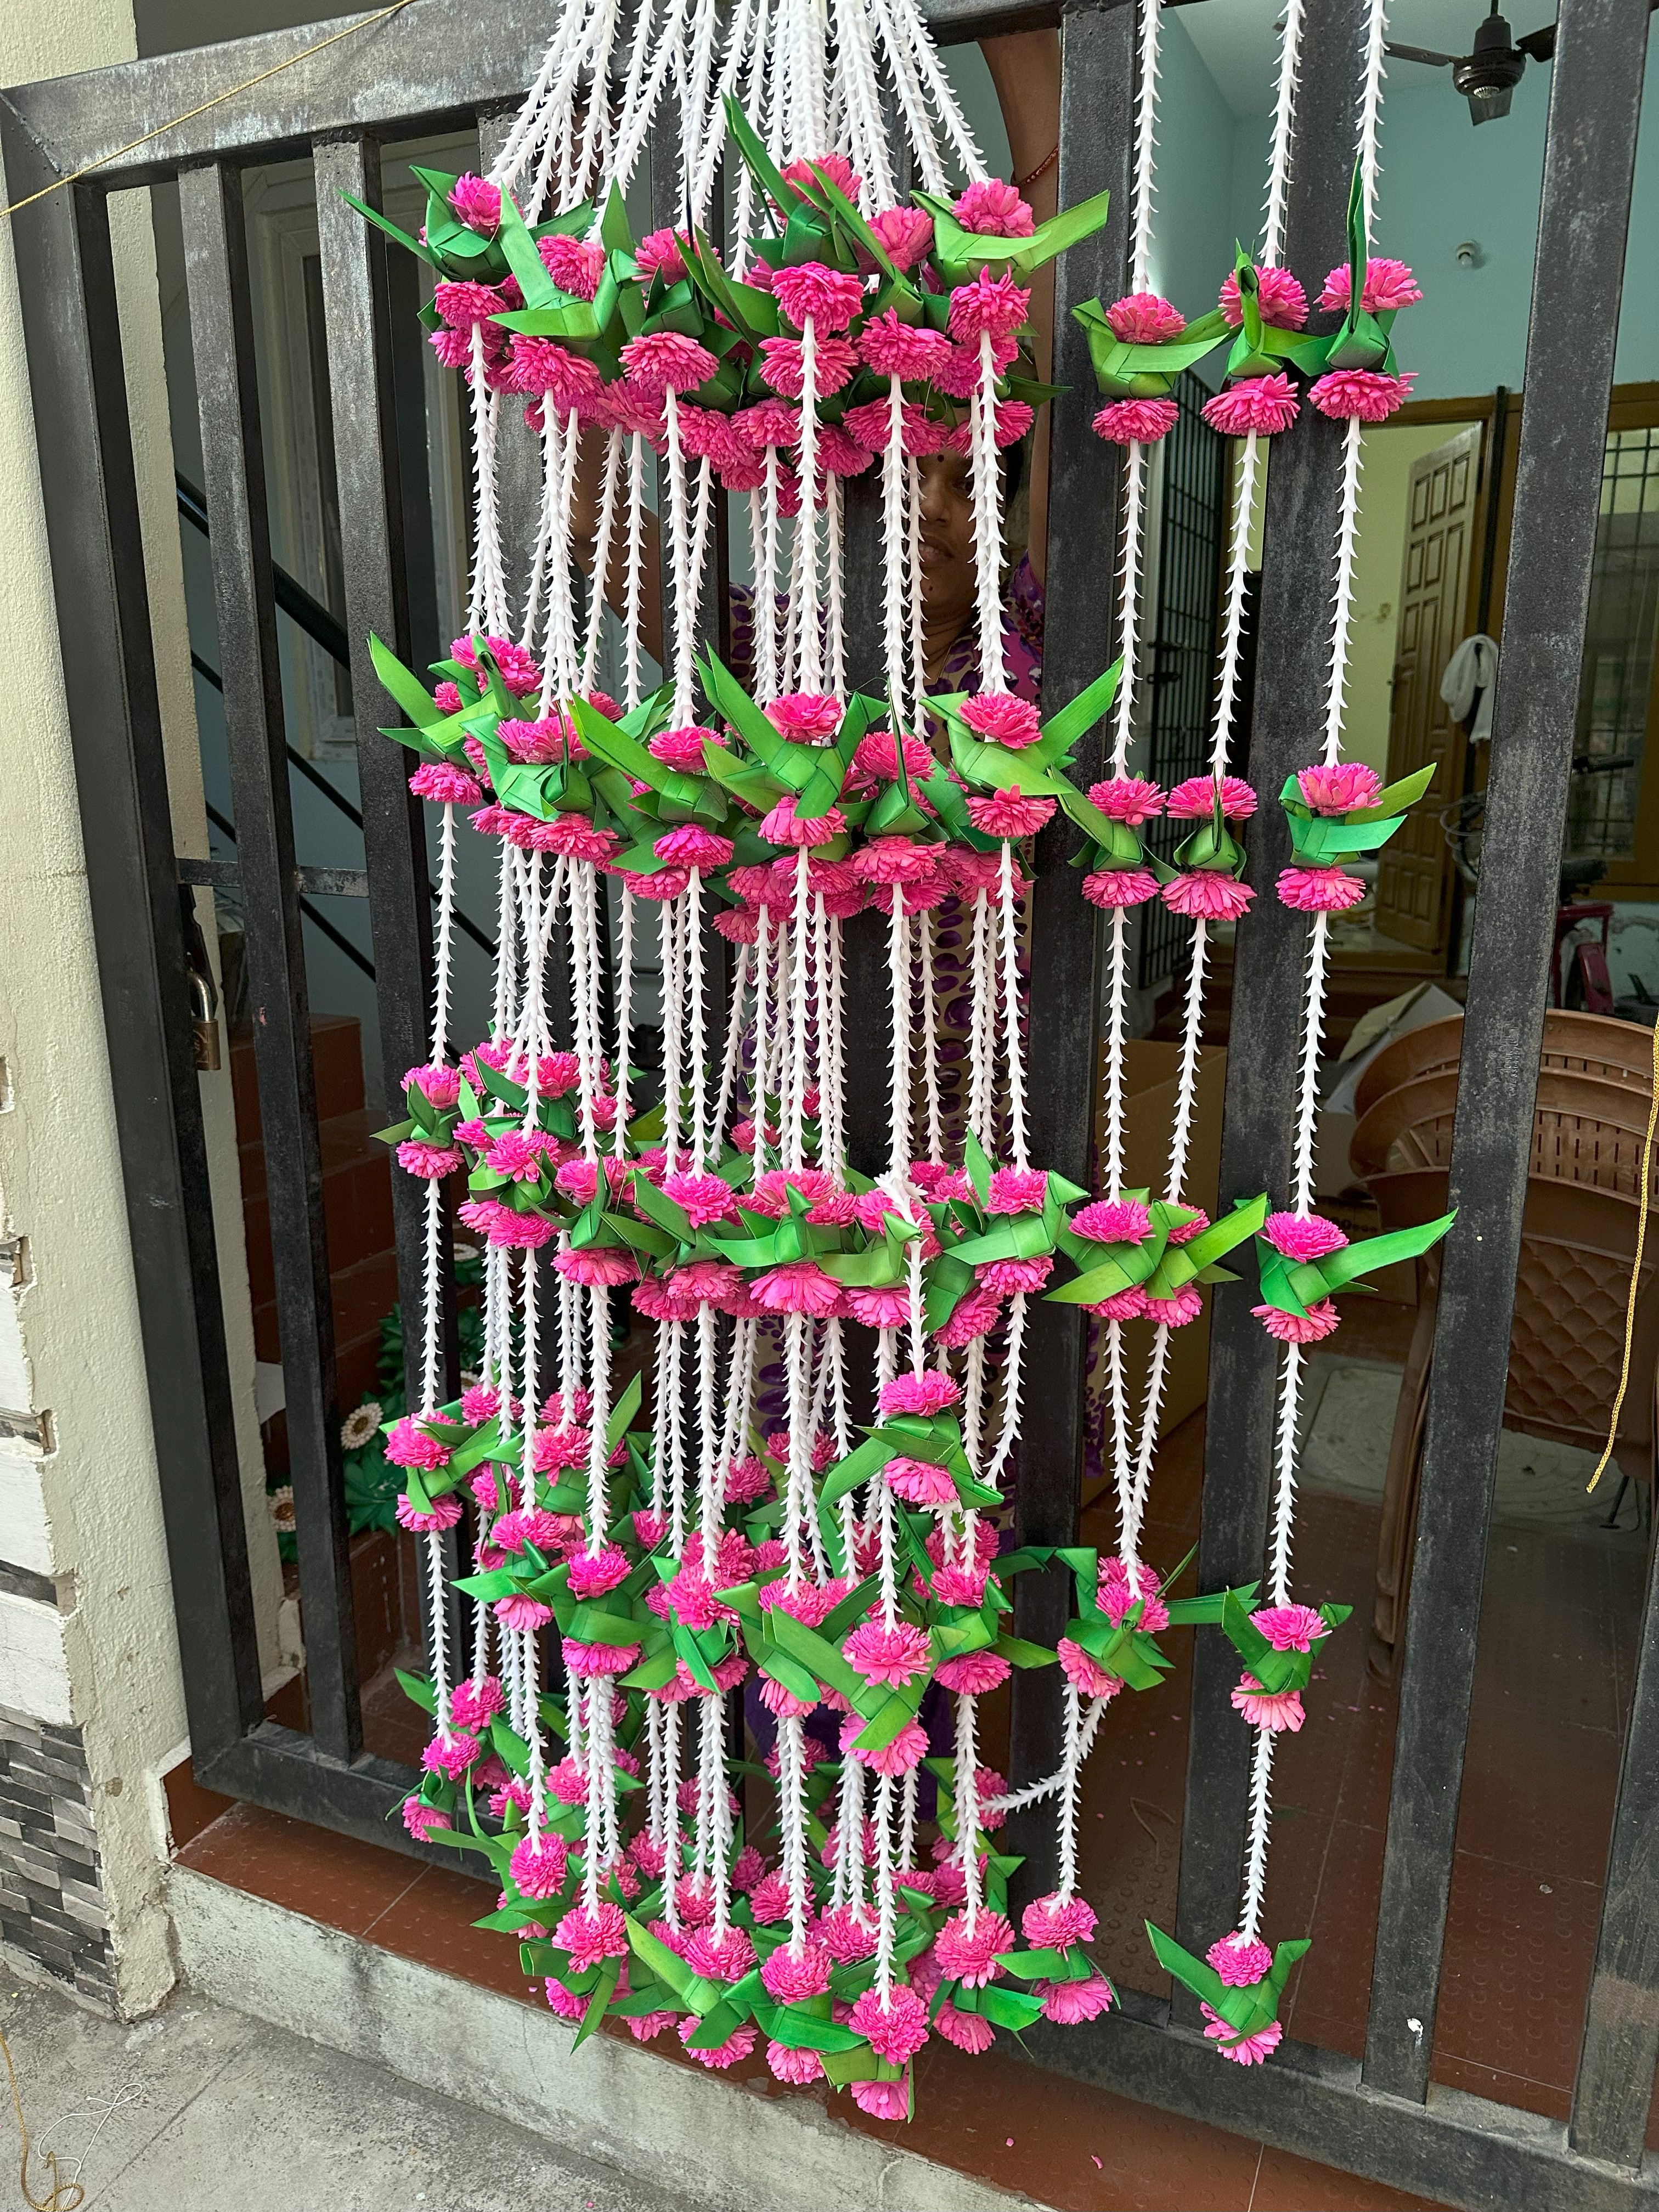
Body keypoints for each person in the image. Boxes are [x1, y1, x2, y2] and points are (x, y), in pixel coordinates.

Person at [572, 30, 1061, 715]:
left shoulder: (1034, 629)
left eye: (966, 483)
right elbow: (593, 516)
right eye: (909, 474)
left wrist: (1017, 43)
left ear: (1004, 520)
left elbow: (1064, 326)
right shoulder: (786, 646)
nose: (928, 507)